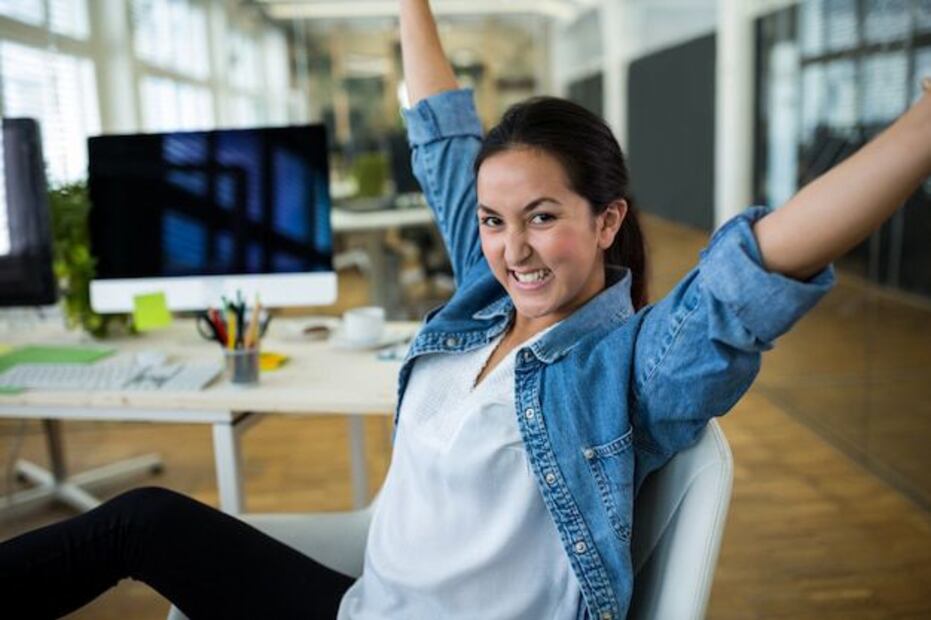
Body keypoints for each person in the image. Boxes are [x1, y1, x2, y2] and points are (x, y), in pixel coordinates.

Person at [2, 1, 930, 618]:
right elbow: (443, 128)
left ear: (607, 221)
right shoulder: (486, 300)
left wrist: (922, 125)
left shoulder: (634, 369)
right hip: (361, 603)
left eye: (543, 218)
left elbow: (758, 266)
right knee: (146, 520)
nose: (512, 247)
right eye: (492, 220)